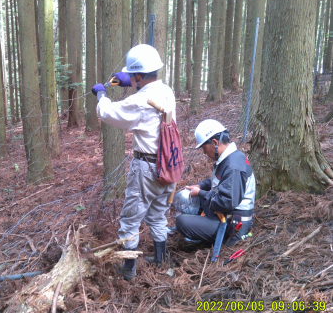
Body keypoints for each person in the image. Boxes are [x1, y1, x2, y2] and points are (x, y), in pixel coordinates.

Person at [91, 44, 176, 281]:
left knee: (130, 219)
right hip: (168, 165)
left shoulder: (141, 101)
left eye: (133, 76)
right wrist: (132, 81)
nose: (130, 79)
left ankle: (128, 270)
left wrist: (101, 95)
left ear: (139, 75)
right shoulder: (166, 91)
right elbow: (146, 91)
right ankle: (161, 259)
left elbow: (109, 113)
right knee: (158, 215)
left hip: (147, 168)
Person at [171, 119, 255, 246]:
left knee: (182, 221)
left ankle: (204, 236)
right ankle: (202, 228)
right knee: (192, 203)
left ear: (215, 143)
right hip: (226, 215)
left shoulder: (233, 166)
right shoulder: (230, 158)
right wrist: (200, 187)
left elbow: (225, 202)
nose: (204, 152)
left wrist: (200, 193)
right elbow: (215, 181)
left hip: (234, 225)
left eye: (205, 148)